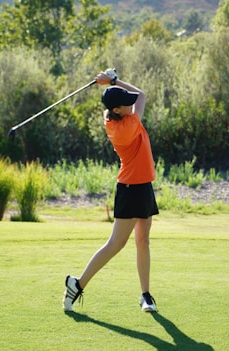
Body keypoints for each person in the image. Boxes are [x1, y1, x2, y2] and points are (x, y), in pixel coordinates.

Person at [62, 69, 159, 312]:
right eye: (126, 104)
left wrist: (111, 85)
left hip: (143, 184)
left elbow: (132, 97)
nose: (131, 104)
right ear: (118, 111)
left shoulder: (112, 117)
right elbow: (142, 94)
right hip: (130, 188)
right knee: (116, 244)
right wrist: (113, 80)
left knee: (143, 240)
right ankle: (78, 284)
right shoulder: (127, 126)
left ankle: (146, 295)